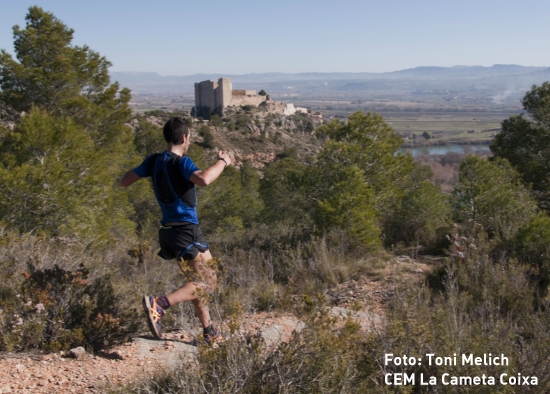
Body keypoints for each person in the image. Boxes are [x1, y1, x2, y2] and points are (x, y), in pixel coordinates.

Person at [120, 116, 231, 343]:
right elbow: (204, 180)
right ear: (184, 137)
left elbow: (124, 181)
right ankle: (159, 304)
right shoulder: (181, 162)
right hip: (186, 231)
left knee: (197, 282)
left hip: (169, 232)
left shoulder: (153, 161)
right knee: (208, 283)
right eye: (189, 137)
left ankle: (209, 331)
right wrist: (223, 162)